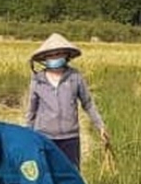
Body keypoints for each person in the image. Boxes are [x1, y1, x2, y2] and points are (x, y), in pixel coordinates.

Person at [24, 33, 108, 168]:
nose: (55, 57)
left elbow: (88, 103)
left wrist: (101, 126)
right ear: (45, 58)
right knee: (47, 176)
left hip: (70, 137)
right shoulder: (38, 80)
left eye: (59, 54)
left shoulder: (75, 77)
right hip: (44, 136)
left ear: (66, 55)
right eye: (51, 54)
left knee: (72, 176)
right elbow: (31, 110)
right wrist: (28, 134)